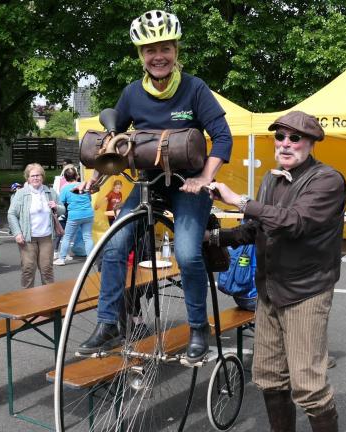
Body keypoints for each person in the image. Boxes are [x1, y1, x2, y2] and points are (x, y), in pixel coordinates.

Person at [76, 10, 233, 363]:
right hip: (148, 183)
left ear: (176, 51)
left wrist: (205, 178)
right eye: (150, 50)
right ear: (141, 56)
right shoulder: (132, 93)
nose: (158, 56)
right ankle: (110, 324)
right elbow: (114, 141)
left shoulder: (194, 89)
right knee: (114, 246)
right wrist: (99, 173)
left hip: (186, 186)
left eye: (164, 48)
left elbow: (222, 137)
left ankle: (197, 328)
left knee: (188, 253)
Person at [209, 111, 346, 432]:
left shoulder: (328, 180)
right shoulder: (272, 178)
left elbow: (295, 223)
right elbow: (256, 227)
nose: (286, 144)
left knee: (308, 386)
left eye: (295, 138)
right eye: (280, 137)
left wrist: (240, 200)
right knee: (269, 377)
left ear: (311, 144)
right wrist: (215, 237)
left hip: (305, 291)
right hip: (269, 290)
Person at [8, 163, 64, 288]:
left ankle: (49, 302)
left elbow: (62, 210)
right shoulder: (21, 193)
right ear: (27, 178)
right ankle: (27, 301)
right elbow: (11, 214)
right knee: (28, 269)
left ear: (42, 177)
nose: (35, 178)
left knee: (47, 270)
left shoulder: (50, 192)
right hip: (28, 238)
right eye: (32, 176)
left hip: (46, 237)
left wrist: (56, 207)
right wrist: (17, 233)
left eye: (38, 175)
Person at [54, 167, 94, 266]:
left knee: (67, 237)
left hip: (74, 215)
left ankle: (62, 259)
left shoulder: (64, 189)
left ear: (65, 178)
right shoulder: (84, 185)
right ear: (77, 176)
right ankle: (90, 260)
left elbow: (61, 203)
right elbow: (89, 199)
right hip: (88, 213)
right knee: (87, 237)